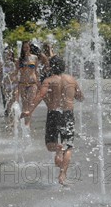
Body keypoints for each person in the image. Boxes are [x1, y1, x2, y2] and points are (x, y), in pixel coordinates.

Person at [21, 56, 84, 186]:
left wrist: (29, 111)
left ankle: (57, 148)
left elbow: (40, 96)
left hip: (54, 114)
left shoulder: (49, 81)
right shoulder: (72, 80)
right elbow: (80, 97)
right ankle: (62, 175)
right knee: (69, 146)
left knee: (50, 145)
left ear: (51, 67)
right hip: (68, 114)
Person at [18, 41, 40, 127]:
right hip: (23, 83)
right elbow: (17, 71)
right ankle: (24, 123)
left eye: (27, 47)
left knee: (30, 103)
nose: (26, 49)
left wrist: (39, 84)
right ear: (22, 49)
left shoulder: (35, 58)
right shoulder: (20, 59)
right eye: (24, 48)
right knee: (24, 103)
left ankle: (28, 123)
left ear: (30, 48)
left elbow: (37, 71)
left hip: (32, 83)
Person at [0, 46, 19, 121]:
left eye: (10, 54)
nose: (8, 56)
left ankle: (15, 118)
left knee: (15, 101)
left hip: (15, 85)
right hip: (6, 86)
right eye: (6, 54)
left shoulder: (15, 62)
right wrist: (0, 83)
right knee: (8, 102)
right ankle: (10, 118)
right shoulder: (1, 63)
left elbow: (20, 71)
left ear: (12, 54)